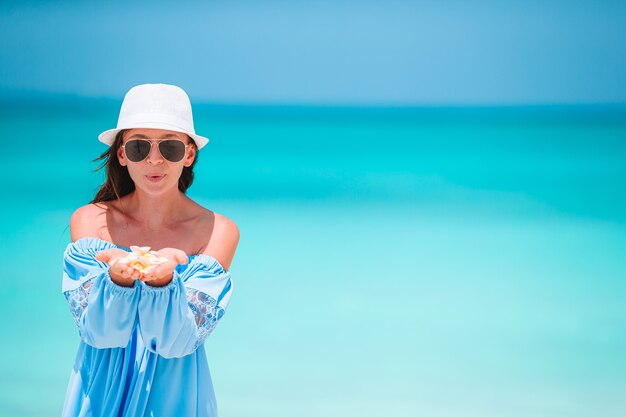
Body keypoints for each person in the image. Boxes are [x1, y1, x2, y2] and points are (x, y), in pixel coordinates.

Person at [61, 83, 240, 417]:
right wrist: (118, 281)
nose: (154, 159)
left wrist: (163, 283)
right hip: (99, 393)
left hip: (176, 398)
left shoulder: (218, 230)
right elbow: (99, 334)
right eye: (140, 146)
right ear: (122, 154)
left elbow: (176, 342)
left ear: (188, 155)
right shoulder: (89, 221)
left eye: (170, 147)